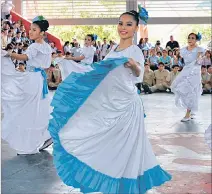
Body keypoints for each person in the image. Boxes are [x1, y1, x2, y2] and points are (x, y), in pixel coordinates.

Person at [48, 9, 171, 194]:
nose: (123, 27)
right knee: (110, 143)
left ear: (136, 28)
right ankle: (113, 179)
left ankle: (125, 183)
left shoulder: (135, 50)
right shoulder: (114, 48)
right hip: (109, 102)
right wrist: (71, 64)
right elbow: (100, 71)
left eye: (129, 24)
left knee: (126, 146)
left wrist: (133, 65)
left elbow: (139, 75)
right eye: (121, 23)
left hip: (126, 106)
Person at [1, 15, 52, 155]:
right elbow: (44, 65)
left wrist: (9, 54)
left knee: (27, 108)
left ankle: (29, 143)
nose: (30, 32)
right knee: (36, 108)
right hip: (39, 79)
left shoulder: (35, 46)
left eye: (34, 30)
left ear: (42, 33)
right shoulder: (46, 47)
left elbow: (25, 57)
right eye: (30, 29)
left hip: (32, 79)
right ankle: (44, 135)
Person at [171, 32, 205, 122]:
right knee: (180, 88)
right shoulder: (183, 50)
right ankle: (191, 109)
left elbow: (199, 63)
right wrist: (176, 58)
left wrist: (199, 58)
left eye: (193, 38)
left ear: (196, 40)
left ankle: (188, 113)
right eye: (189, 37)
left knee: (191, 91)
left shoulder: (199, 49)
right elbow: (182, 62)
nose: (190, 39)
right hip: (186, 71)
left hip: (195, 72)